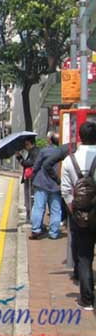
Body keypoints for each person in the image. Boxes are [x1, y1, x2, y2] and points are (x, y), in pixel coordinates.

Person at [60, 120, 96, 311]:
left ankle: (87, 299)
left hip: (80, 215)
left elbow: (65, 191)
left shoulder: (69, 161)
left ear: (80, 137)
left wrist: (75, 211)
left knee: (84, 257)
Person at [29, 132, 68, 240]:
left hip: (41, 182)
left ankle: (36, 230)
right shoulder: (63, 152)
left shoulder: (44, 151)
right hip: (56, 185)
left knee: (39, 207)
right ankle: (54, 233)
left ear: (49, 140)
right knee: (56, 209)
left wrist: (32, 178)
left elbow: (36, 166)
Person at [17, 137, 39, 222]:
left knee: (30, 198)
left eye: (27, 144)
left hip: (32, 180)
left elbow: (30, 163)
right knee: (29, 198)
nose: (26, 146)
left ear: (31, 143)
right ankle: (29, 216)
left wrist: (20, 158)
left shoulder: (35, 152)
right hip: (30, 179)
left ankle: (31, 218)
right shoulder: (32, 151)